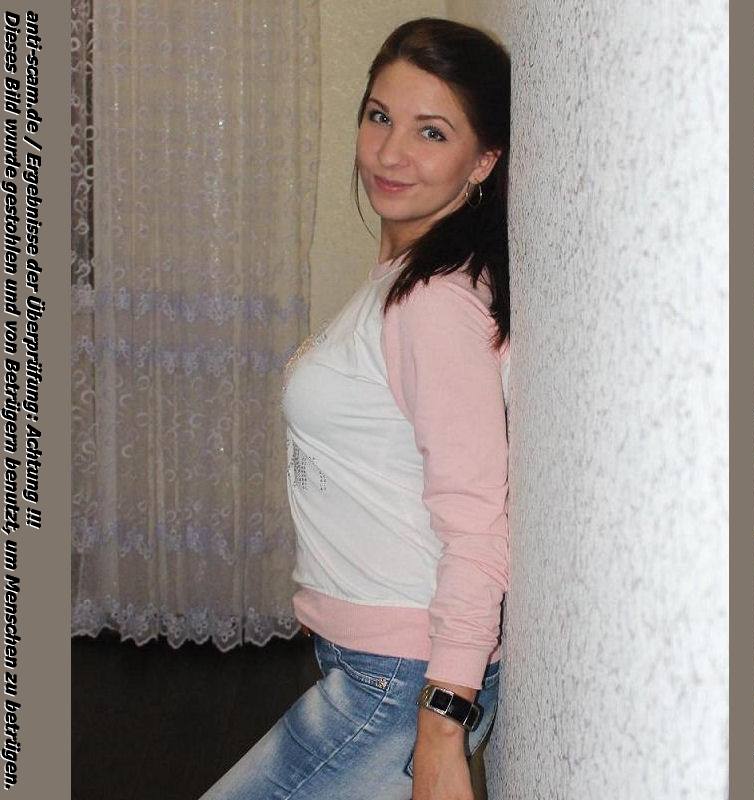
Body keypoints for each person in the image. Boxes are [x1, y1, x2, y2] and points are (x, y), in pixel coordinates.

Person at [199, 17, 511, 800]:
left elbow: (478, 524)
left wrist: (442, 726)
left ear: (483, 160)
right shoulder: (401, 277)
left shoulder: (435, 304)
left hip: (405, 681)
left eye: (431, 132)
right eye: (379, 117)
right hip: (375, 661)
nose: (389, 153)